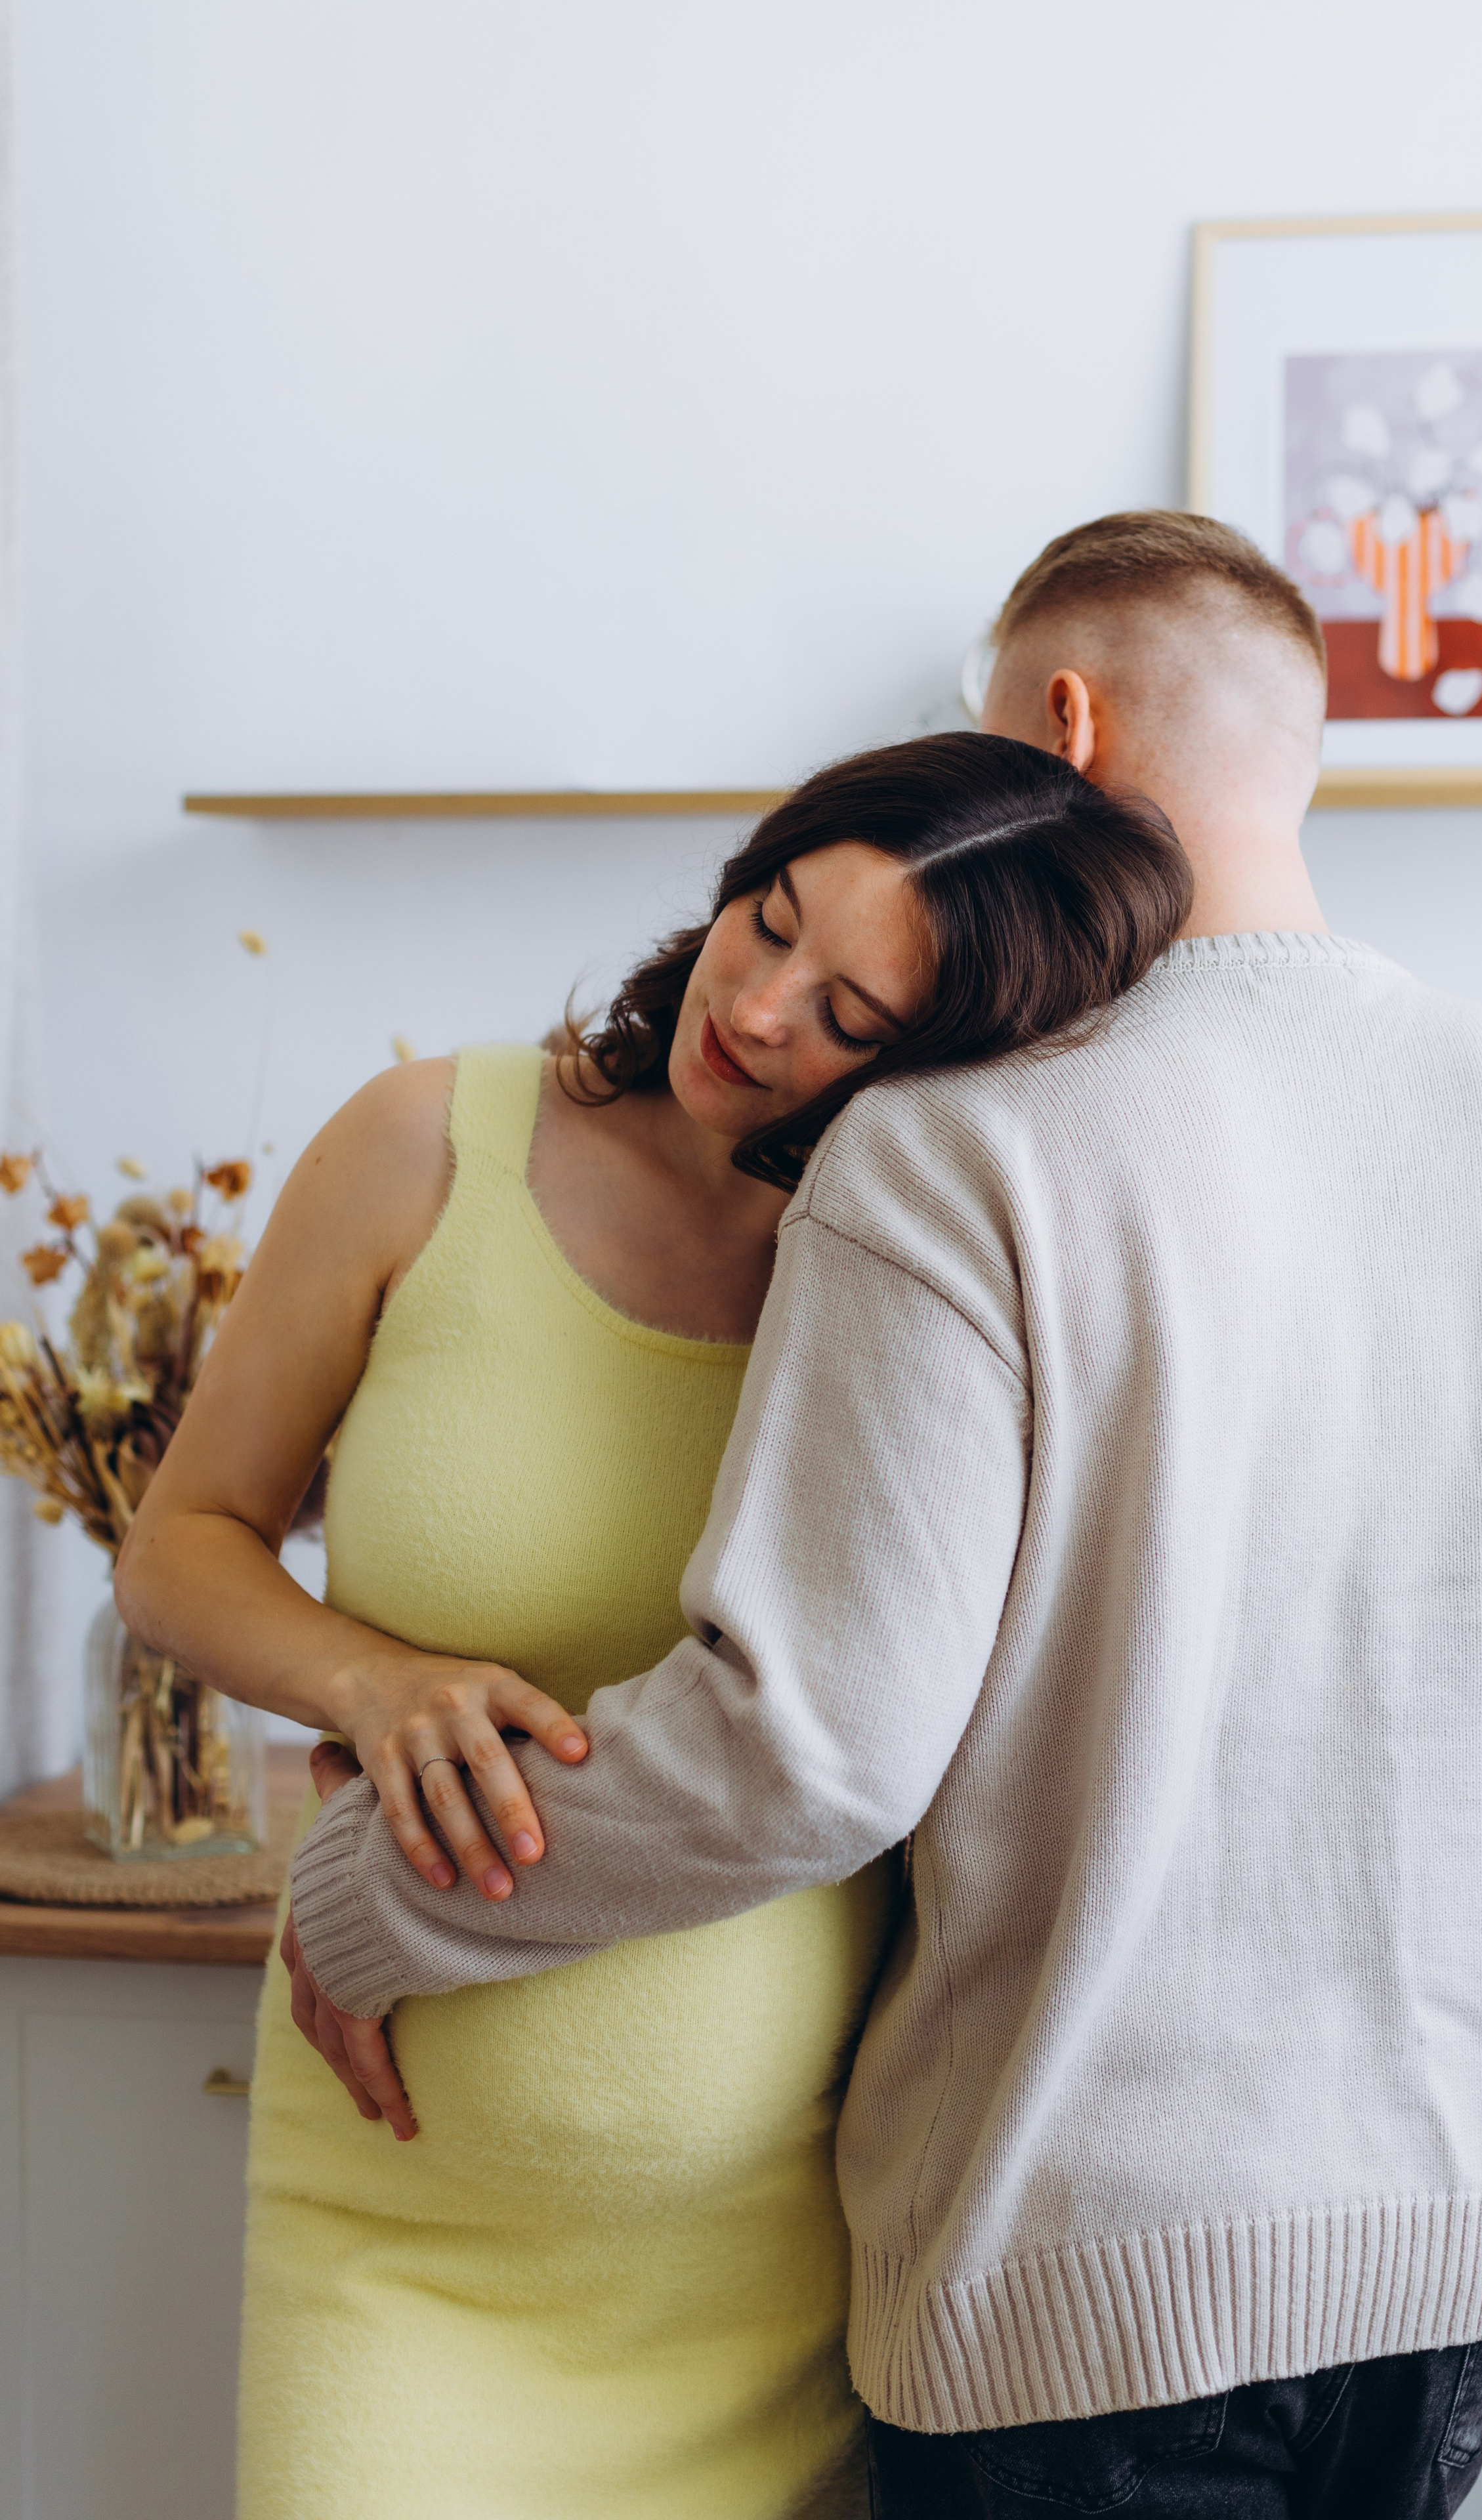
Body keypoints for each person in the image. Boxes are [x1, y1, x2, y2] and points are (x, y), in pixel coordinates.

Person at [261, 512, 1482, 2520]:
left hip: (1084, 2298)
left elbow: (807, 1749)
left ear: (1061, 729)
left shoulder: (960, 1153)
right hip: (1473, 2254)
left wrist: (370, 1897)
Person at [114, 730, 1190, 2520]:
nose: (758, 1009)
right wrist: (369, 1681)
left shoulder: (925, 1293)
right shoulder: (421, 1150)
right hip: (402, 2243)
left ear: (941, 1062)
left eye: (848, 1015)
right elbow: (184, 1546)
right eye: (766, 922)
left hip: (777, 2264)